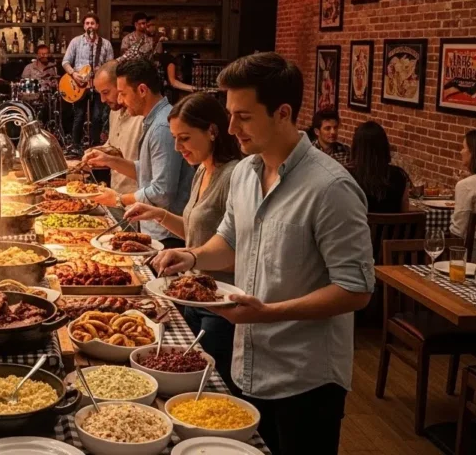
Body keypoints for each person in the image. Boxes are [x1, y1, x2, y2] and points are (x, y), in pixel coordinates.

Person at [150, 52, 374, 455]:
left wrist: (268, 313)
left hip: (305, 378)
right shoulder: (245, 174)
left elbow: (356, 290)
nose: (231, 127)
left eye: (244, 116)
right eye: (230, 114)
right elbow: (229, 242)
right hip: (248, 362)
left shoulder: (330, 188)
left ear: (283, 113)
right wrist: (193, 257)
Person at [122, 93, 243, 391]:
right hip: (189, 295)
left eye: (185, 138)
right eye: (175, 138)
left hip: (219, 306)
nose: (178, 147)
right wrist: (161, 215)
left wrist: (189, 255)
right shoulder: (201, 169)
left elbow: (237, 249)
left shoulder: (234, 175)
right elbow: (195, 232)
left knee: (210, 389)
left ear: (213, 131)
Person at [83, 59, 193, 248]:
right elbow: (145, 170)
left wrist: (118, 199)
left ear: (142, 90)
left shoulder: (161, 126)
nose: (120, 100)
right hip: (154, 228)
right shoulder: (153, 121)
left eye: (123, 94)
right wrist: (108, 160)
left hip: (168, 234)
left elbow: (162, 191)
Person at [86, 60, 142, 195]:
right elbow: (113, 146)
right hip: (115, 194)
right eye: (99, 93)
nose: (103, 100)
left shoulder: (143, 117)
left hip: (136, 201)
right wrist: (95, 152)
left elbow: (152, 175)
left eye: (106, 92)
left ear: (121, 85)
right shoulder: (114, 112)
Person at [62, 14, 114, 152]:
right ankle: (76, 145)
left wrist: (101, 71)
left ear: (97, 26)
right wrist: (74, 74)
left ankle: (95, 145)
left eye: (92, 23)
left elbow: (110, 66)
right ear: (84, 26)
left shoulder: (106, 44)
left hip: (98, 85)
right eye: (87, 23)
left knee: (97, 116)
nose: (89, 25)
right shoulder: (76, 42)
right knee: (79, 115)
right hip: (79, 84)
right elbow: (65, 62)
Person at [349, 121, 410, 213]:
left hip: (360, 227)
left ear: (356, 147)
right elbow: (405, 213)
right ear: (384, 146)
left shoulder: (349, 176)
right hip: (394, 227)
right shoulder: (400, 176)